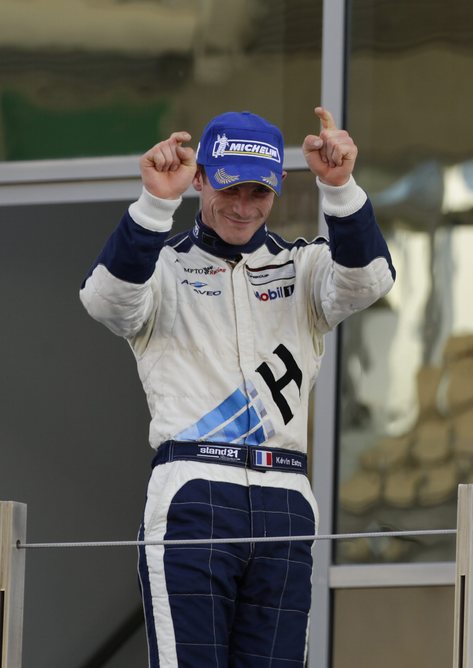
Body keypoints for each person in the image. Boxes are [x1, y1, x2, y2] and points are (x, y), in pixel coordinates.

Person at [80, 107, 395, 667]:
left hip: (286, 494)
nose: (244, 207)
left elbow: (370, 280)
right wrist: (154, 204)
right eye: (230, 189)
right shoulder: (162, 267)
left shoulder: (305, 267)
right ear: (199, 178)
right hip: (194, 488)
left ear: (278, 187)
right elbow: (104, 301)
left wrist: (340, 187)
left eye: (259, 193)